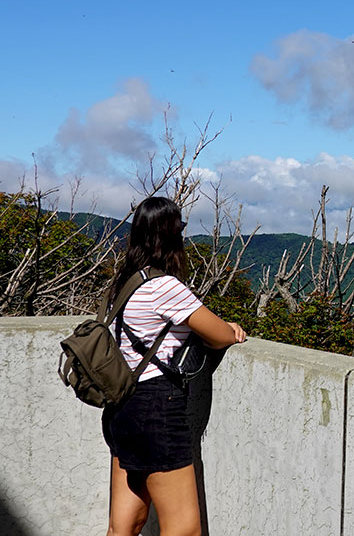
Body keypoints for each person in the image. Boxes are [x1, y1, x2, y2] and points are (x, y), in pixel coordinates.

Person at [102, 196, 246, 536]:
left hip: (122, 406)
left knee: (123, 526)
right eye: (180, 227)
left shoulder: (126, 282)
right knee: (183, 529)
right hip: (157, 409)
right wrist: (233, 329)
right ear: (171, 234)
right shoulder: (164, 287)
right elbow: (220, 335)